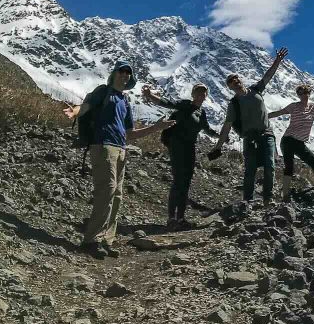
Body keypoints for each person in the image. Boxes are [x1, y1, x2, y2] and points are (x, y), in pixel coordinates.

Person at [63, 62, 174, 259]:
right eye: (122, 71)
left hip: (121, 148)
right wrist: (75, 111)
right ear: (114, 74)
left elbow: (129, 133)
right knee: (107, 191)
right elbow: (86, 105)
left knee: (117, 196)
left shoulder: (125, 101)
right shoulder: (103, 92)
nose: (125, 75)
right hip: (103, 146)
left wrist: (157, 128)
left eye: (128, 73)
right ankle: (91, 240)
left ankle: (107, 240)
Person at [209, 47, 289, 207]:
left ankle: (268, 199)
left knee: (269, 166)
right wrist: (218, 147)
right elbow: (227, 126)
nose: (235, 83)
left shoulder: (256, 89)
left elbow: (268, 76)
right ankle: (248, 201)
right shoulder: (234, 104)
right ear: (229, 88)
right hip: (249, 137)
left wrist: (278, 61)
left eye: (236, 80)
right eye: (231, 83)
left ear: (241, 81)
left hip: (266, 133)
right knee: (250, 170)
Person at [142, 82, 215, 230]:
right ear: (193, 94)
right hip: (177, 146)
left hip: (190, 147)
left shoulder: (201, 112)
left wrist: (220, 136)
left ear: (206, 95)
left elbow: (207, 129)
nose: (201, 95)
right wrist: (150, 96)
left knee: (186, 181)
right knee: (178, 180)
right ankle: (171, 218)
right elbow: (167, 103)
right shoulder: (184, 105)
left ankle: (180, 218)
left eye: (203, 92)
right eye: (198, 92)